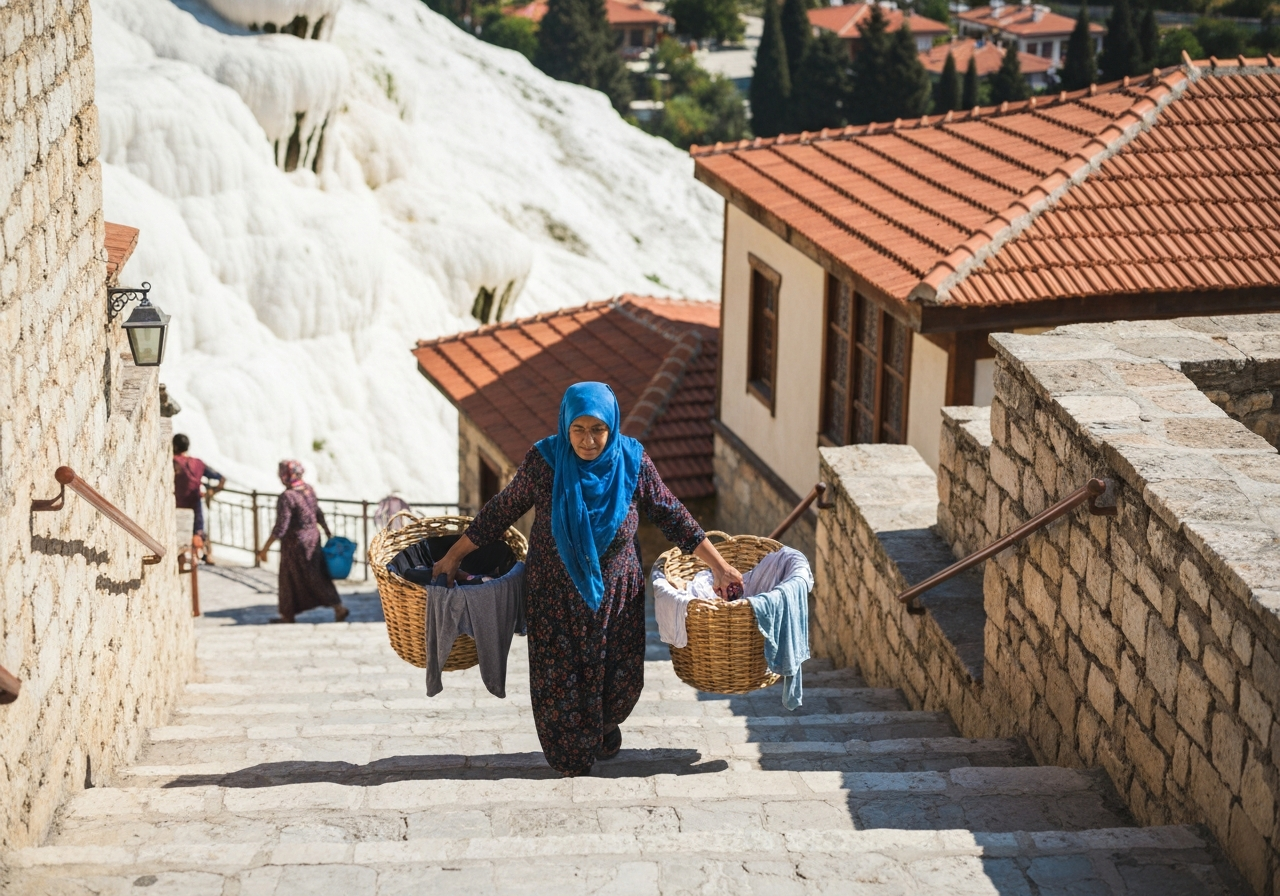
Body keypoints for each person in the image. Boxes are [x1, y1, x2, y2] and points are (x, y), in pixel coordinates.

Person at [433, 382, 743, 777]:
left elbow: (672, 514)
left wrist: (718, 566)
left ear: (612, 426)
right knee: (558, 681)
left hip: (617, 596)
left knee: (622, 682)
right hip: (553, 594)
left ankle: (602, 727)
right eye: (578, 429)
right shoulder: (545, 461)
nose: (588, 439)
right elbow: (501, 510)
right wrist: (453, 556)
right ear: (565, 425)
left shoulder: (632, 461)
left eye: (598, 429)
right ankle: (569, 757)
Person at [255, 460, 349, 624]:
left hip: (295, 544)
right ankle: (338, 607)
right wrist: (327, 531)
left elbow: (281, 527)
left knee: (288, 579)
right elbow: (317, 512)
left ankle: (288, 615)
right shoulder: (308, 489)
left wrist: (264, 550)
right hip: (313, 538)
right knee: (318, 575)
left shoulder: (287, 496)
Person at [172, 434, 225, 564]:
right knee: (199, 531)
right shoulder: (198, 463)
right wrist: (211, 492)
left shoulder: (173, 461)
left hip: (177, 504)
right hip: (195, 503)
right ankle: (206, 555)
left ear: (174, 446)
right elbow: (221, 478)